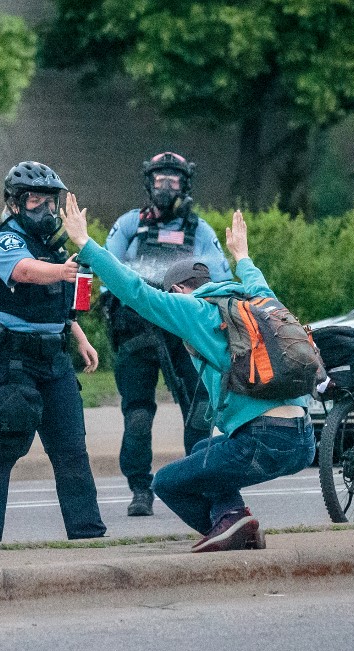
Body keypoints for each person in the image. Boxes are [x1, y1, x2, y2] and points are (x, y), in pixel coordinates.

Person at [61, 195, 314, 552]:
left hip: (263, 440)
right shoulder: (254, 303)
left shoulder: (196, 310)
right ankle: (233, 517)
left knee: (167, 482)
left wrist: (87, 245)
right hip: (303, 440)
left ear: (179, 290)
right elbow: (258, 282)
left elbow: (136, 293)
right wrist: (241, 255)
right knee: (202, 449)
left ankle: (227, 529)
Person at [0, 161, 106, 543]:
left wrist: (77, 334)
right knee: (0, 451)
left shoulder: (52, 247)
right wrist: (64, 271)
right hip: (9, 362)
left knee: (71, 450)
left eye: (50, 202)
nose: (44, 209)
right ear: (14, 204)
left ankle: (88, 536)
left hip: (54, 358)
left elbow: (53, 303)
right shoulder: (4, 242)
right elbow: (25, 272)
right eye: (34, 201)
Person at [104, 152, 232, 517]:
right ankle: (140, 489)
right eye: (159, 180)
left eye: (172, 181)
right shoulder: (130, 224)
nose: (165, 187)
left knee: (200, 410)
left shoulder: (200, 230)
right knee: (138, 415)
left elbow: (220, 278)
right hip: (137, 334)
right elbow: (107, 269)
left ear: (184, 185)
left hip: (184, 331)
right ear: (148, 183)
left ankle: (198, 479)